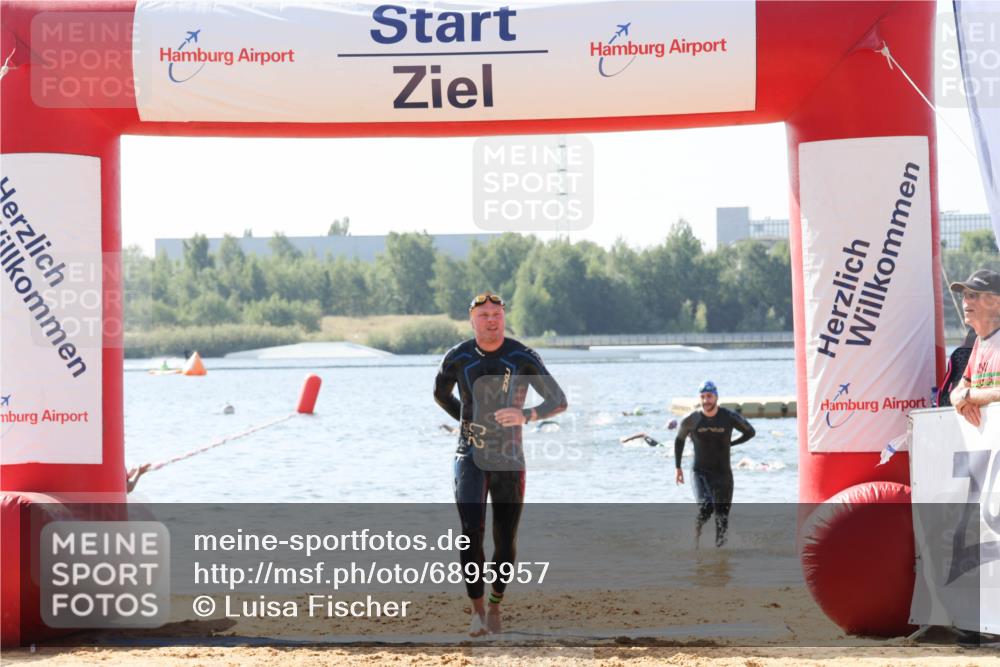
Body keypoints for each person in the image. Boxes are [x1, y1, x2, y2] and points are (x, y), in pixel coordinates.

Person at [433, 291, 567, 636]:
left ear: (503, 318)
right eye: (484, 315)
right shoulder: (457, 357)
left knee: (505, 540)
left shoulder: (521, 356)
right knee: (470, 533)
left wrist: (526, 414)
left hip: (509, 457)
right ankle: (477, 612)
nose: (491, 320)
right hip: (469, 453)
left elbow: (558, 401)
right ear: (472, 320)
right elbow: (441, 395)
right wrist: (467, 418)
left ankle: (495, 604)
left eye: (496, 314)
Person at [674, 380, 756, 548]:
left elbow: (750, 432)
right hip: (700, 472)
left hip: (723, 473)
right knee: (706, 507)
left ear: (716, 397)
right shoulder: (691, 419)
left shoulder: (728, 416)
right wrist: (678, 468)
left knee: (722, 518)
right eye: (703, 397)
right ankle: (695, 539)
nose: (706, 400)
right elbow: (679, 440)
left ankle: (720, 561)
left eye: (709, 396)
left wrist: (731, 444)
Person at [949, 269, 1000, 426]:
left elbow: (965, 393)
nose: (965, 302)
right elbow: (957, 392)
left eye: (973, 295)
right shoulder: (980, 342)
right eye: (964, 295)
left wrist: (969, 396)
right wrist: (963, 399)